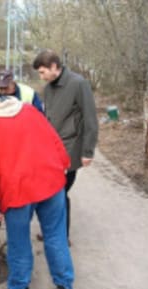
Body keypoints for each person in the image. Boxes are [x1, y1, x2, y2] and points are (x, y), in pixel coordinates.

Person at [0, 79, 74, 289]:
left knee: (19, 241)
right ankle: (64, 285)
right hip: (51, 182)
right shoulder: (27, 109)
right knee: (56, 235)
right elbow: (54, 139)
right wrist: (63, 165)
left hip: (18, 191)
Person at [33, 49, 98, 243]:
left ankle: (60, 237)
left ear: (54, 67)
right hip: (50, 150)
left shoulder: (79, 84)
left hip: (70, 150)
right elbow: (48, 118)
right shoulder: (49, 87)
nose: (41, 76)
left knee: (59, 193)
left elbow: (90, 119)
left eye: (43, 72)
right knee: (51, 192)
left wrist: (88, 151)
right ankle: (53, 233)